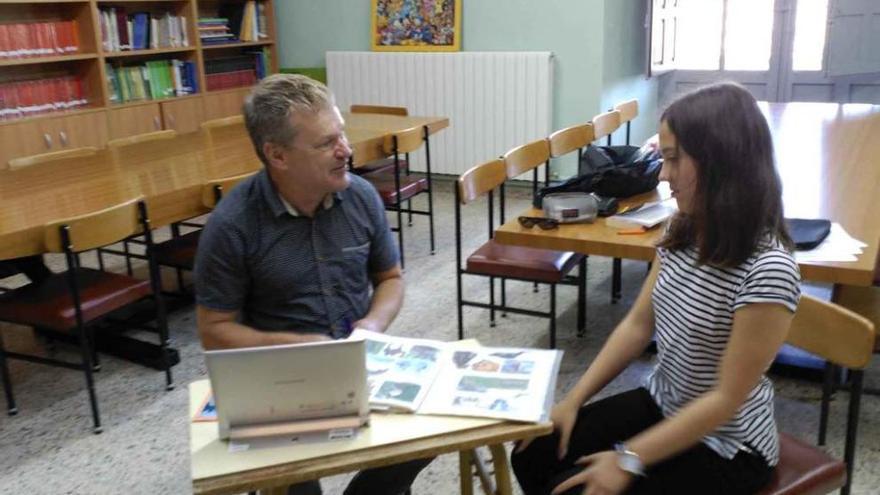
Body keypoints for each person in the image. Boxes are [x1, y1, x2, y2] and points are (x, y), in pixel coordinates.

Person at [511, 82, 801, 495]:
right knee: (534, 452)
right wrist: (572, 400)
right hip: (664, 403)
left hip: (727, 444)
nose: (664, 175)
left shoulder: (768, 269)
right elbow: (637, 325)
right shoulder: (683, 230)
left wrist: (629, 457)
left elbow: (725, 399)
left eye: (673, 159)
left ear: (722, 163)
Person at [194, 74, 430, 495]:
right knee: (296, 485)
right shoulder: (233, 225)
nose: (346, 151)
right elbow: (214, 330)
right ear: (277, 156)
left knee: (427, 435)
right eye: (326, 143)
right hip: (277, 374)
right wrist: (296, 345)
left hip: (360, 354)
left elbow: (390, 278)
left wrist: (373, 325)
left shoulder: (361, 197)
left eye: (342, 135)